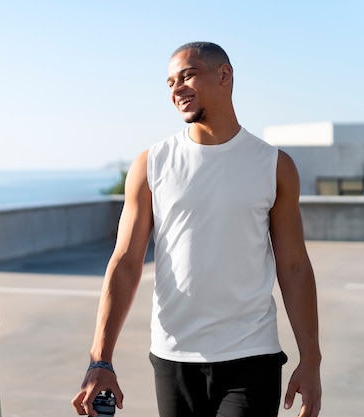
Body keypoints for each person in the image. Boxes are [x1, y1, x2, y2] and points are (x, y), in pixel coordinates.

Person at [71, 42, 322, 417]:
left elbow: (295, 267)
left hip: (251, 354)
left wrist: (311, 360)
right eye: (170, 82)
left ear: (224, 75)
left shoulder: (273, 165)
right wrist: (100, 360)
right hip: (173, 358)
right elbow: (125, 262)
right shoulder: (151, 164)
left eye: (187, 75)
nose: (176, 89)